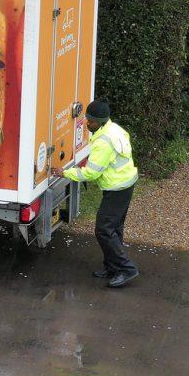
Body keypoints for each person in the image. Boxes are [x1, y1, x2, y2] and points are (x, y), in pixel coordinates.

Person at [51, 100, 139, 288]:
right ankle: (113, 267)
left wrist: (64, 173)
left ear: (99, 121)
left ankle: (126, 269)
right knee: (114, 228)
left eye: (90, 121)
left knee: (103, 230)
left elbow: (91, 173)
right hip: (125, 184)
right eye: (87, 119)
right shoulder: (113, 129)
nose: (87, 124)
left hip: (117, 188)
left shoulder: (103, 141)